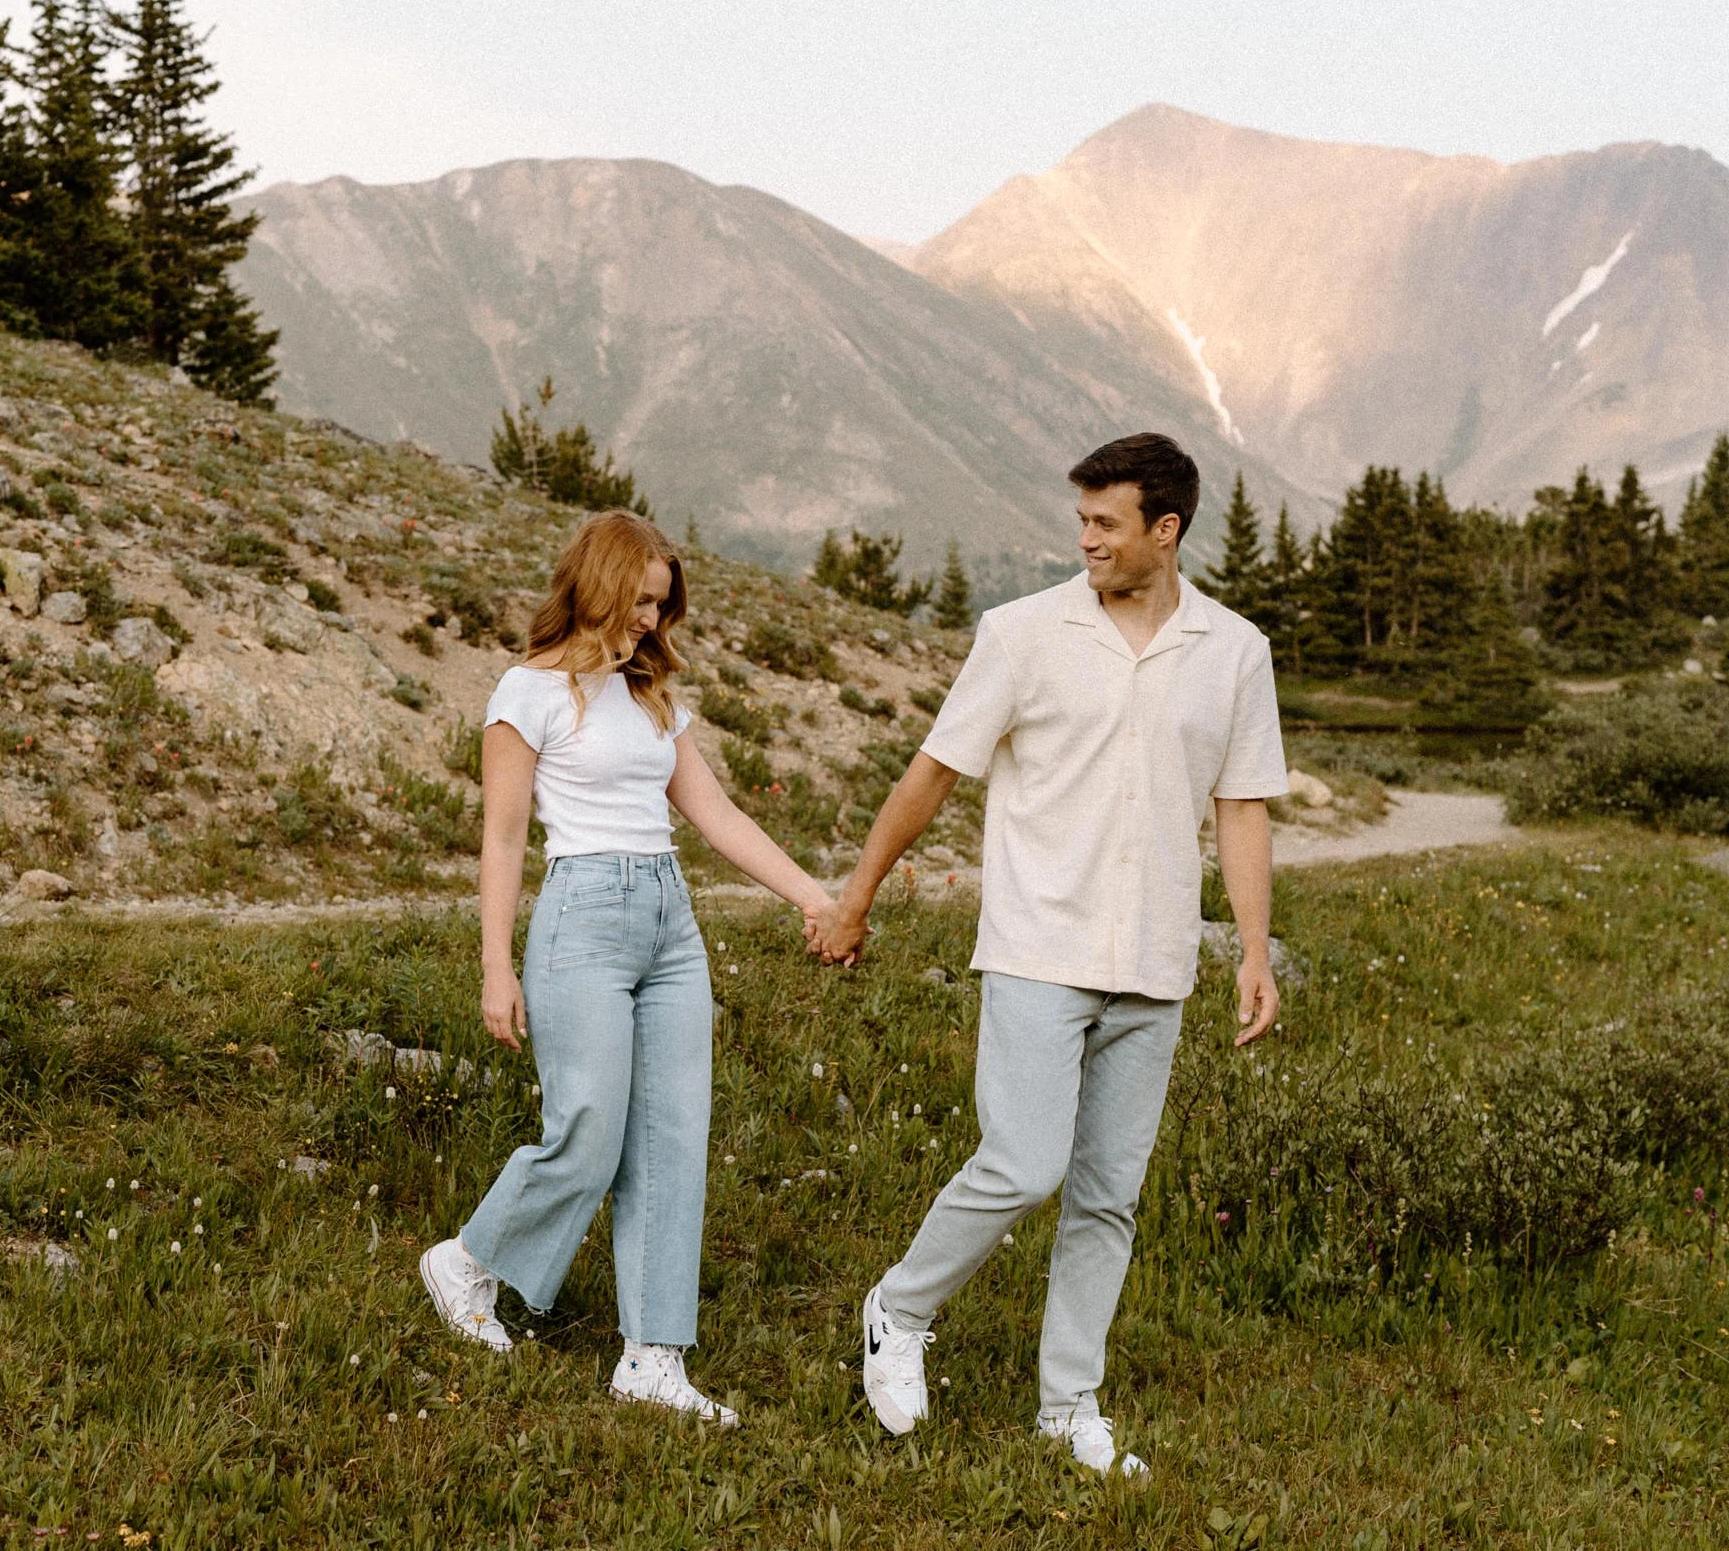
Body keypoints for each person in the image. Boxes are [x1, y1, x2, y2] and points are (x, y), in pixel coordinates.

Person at [809, 433, 1286, 1477]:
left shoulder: (1233, 649)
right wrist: (856, 895)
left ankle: (1068, 1405)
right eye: (1080, 521)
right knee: (1025, 1162)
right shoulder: (1022, 633)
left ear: (1165, 531)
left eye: (1105, 523)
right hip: (1036, 943)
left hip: (1156, 959)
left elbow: (1241, 805)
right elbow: (933, 773)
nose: (1085, 541)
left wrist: (1252, 949)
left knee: (1109, 1194)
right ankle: (900, 1305)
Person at [420, 509, 834, 1426]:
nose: (651, 620)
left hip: (669, 926)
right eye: (640, 601)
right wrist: (497, 966)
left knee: (675, 1137)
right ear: (599, 584)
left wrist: (814, 895)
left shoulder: (651, 699)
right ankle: (468, 1262)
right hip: (582, 921)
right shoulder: (525, 692)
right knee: (590, 1130)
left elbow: (718, 817)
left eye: (660, 604)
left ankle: (653, 1356)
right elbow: (502, 838)